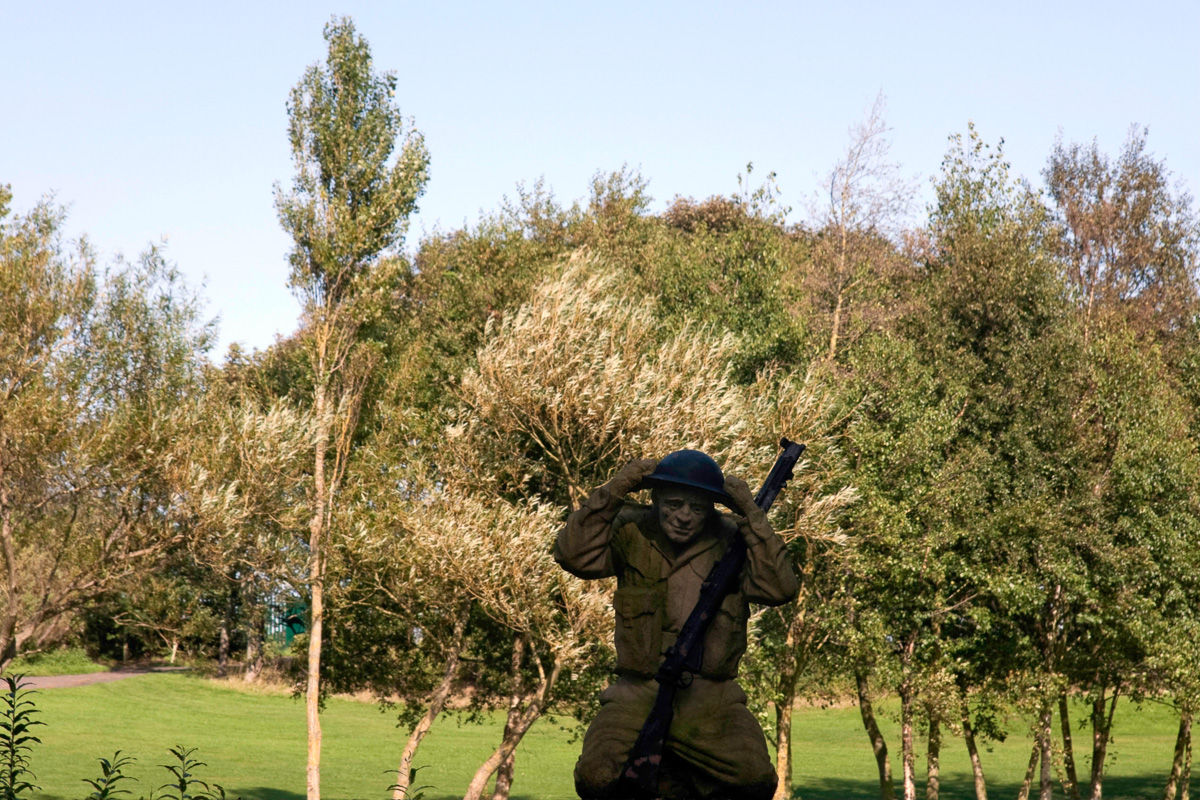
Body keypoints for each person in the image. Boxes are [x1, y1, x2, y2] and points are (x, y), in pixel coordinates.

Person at [554, 450, 798, 800]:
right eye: (674, 503)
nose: (683, 516)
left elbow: (780, 588)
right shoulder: (631, 529)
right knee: (596, 776)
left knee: (754, 778)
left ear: (712, 508)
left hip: (712, 699)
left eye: (697, 508)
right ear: (654, 499)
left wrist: (753, 514)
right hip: (636, 694)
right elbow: (572, 554)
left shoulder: (735, 540)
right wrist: (619, 485)